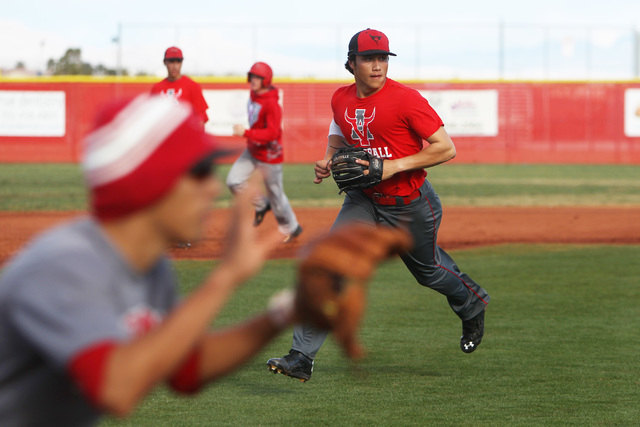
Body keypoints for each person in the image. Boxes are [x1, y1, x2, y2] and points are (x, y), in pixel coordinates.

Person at [0, 94, 294, 426]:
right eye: (199, 171)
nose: (213, 188)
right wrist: (226, 276)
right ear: (147, 180)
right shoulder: (63, 265)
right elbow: (116, 388)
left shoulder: (150, 266)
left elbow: (186, 366)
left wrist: (286, 314)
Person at [266, 29, 490, 382]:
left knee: (428, 271)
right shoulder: (340, 98)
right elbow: (339, 127)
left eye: (382, 58)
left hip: (410, 203)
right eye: (369, 58)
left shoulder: (406, 100)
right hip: (363, 201)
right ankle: (302, 357)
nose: (377, 65)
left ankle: (471, 303)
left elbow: (445, 147)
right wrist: (329, 158)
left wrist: (392, 165)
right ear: (351, 63)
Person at [227, 61, 302, 243]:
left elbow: (272, 133)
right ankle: (262, 204)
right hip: (253, 149)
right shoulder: (253, 94)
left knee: (276, 195)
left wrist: (246, 132)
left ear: (266, 80)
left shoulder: (272, 104)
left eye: (258, 77)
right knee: (233, 181)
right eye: (252, 76)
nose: (254, 80)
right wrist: (251, 136)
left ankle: (292, 227)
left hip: (270, 155)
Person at [151, 46, 209, 126]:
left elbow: (200, 119)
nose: (175, 66)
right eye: (171, 61)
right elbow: (152, 118)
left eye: (178, 61)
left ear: (182, 62)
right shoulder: (157, 88)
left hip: (186, 135)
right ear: (165, 62)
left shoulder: (193, 86)